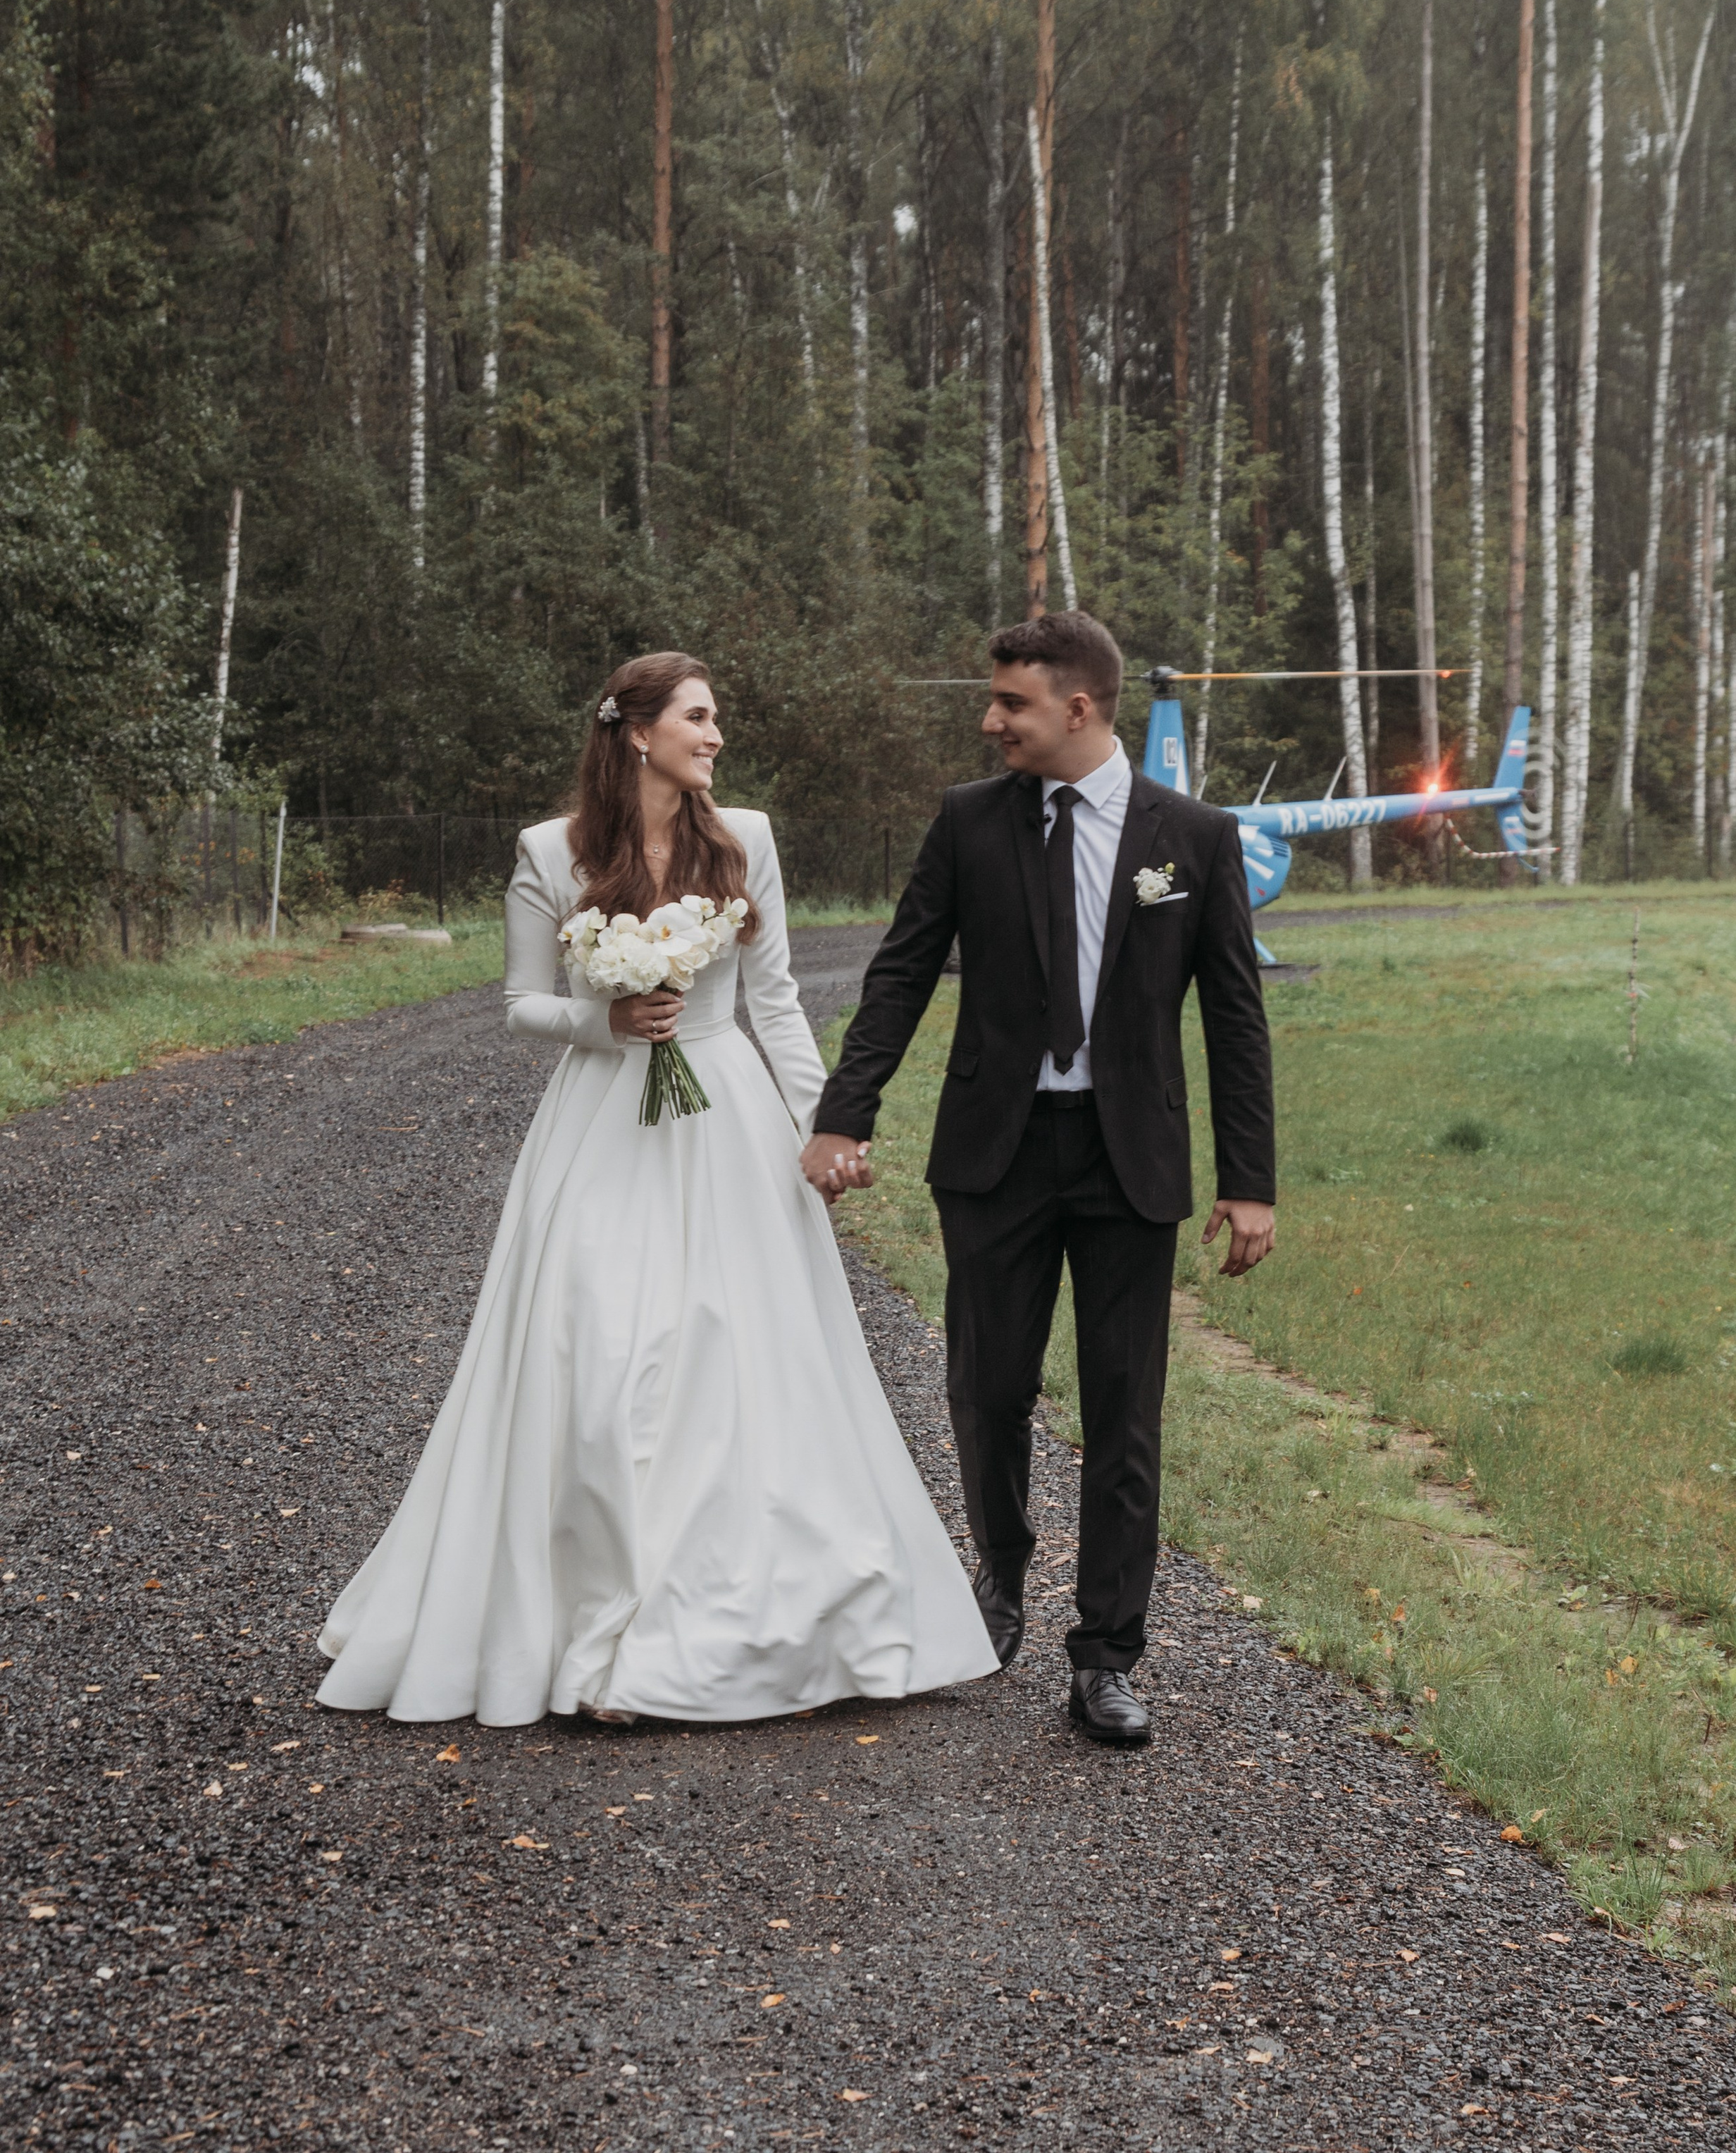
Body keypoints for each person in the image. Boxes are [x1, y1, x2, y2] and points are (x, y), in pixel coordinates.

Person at [316, 652, 997, 1728]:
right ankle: (591, 1623)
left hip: (724, 1114)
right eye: (699, 716)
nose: (716, 735)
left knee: (740, 1354)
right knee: (598, 1347)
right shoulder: (551, 852)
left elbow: (773, 1003)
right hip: (601, 1123)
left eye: (716, 717)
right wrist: (609, 1020)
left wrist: (827, 1126)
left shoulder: (747, 840)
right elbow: (520, 1005)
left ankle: (752, 1618)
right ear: (637, 731)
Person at [802, 611, 1276, 1750]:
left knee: (1124, 1415)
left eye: (1010, 702)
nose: (990, 720)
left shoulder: (1193, 840)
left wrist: (1250, 1180)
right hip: (995, 1157)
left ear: (1079, 708)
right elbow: (904, 970)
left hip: (1130, 1163)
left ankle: (1107, 1658)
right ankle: (998, 1588)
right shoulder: (971, 821)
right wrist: (843, 1114)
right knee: (986, 1390)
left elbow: (1236, 1019)